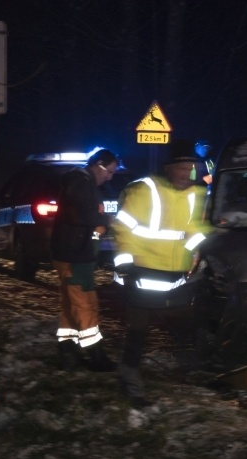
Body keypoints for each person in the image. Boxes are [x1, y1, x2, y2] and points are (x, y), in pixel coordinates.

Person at [112, 139, 211, 406]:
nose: (186, 174)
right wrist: (125, 264)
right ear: (168, 168)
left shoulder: (198, 194)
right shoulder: (144, 190)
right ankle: (130, 379)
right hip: (141, 272)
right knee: (138, 330)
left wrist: (193, 253)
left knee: (182, 325)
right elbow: (123, 229)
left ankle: (190, 373)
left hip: (176, 275)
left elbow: (198, 230)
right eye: (181, 169)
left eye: (191, 168)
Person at [51, 148, 118, 372]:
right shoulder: (81, 182)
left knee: (72, 304)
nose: (110, 177)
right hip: (75, 255)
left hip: (76, 253)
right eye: (109, 171)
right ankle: (95, 353)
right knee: (85, 303)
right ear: (98, 164)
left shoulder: (84, 183)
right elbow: (85, 214)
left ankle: (68, 351)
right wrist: (103, 221)